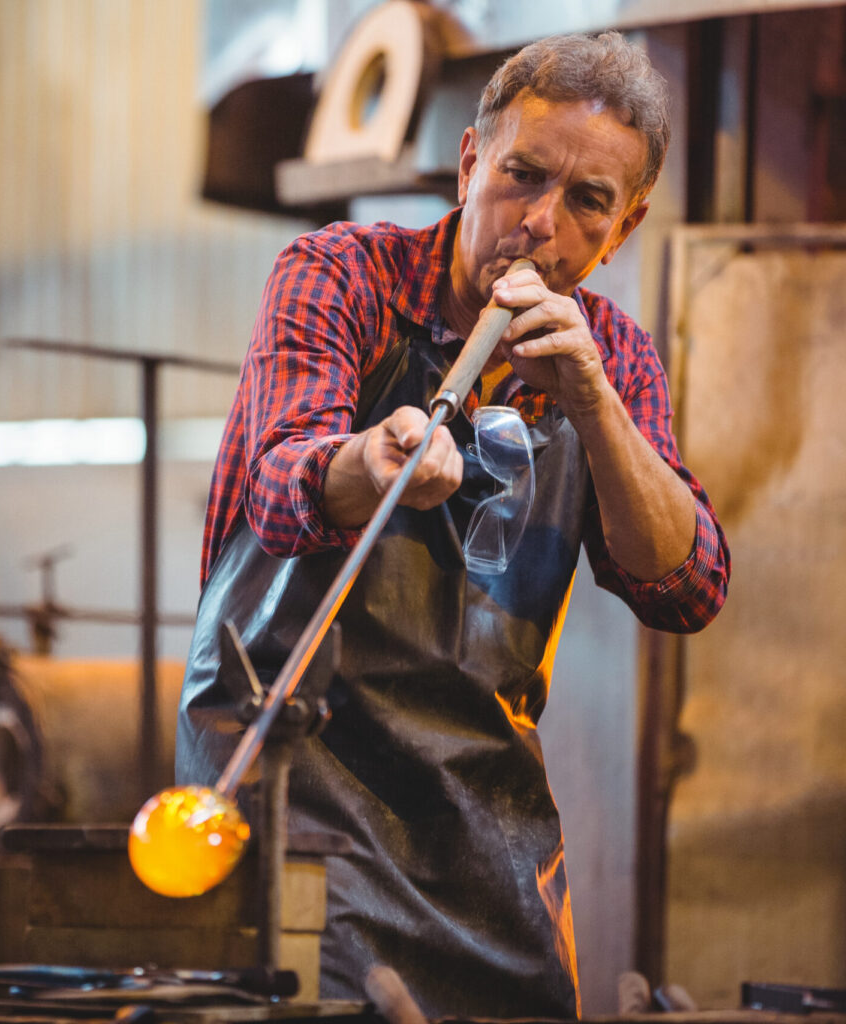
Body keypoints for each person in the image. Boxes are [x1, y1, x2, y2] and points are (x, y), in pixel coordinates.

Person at [176, 31, 729, 1020]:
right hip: (300, 805)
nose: (541, 224)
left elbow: (682, 587)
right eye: (522, 176)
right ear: (472, 164)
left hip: (482, 831)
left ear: (626, 225)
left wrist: (594, 403)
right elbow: (278, 485)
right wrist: (371, 461)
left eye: (587, 203)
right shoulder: (341, 277)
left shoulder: (615, 360)